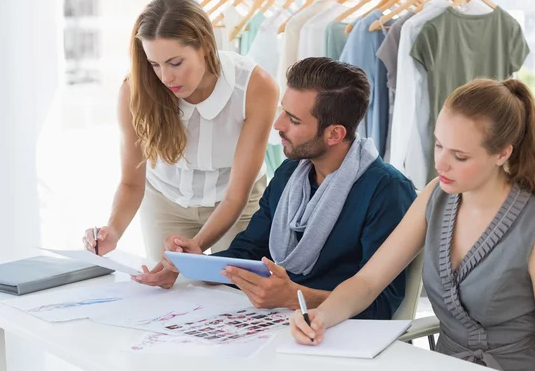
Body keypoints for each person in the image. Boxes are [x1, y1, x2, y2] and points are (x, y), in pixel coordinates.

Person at [290, 78, 535, 370]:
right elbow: (367, 282)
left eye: (460, 156)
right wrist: (322, 316)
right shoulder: (435, 196)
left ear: (503, 153)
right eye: (439, 145)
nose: (441, 164)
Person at [133, 57, 417, 319]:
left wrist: (297, 298)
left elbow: (384, 305)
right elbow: (248, 251)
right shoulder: (290, 173)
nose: (278, 124)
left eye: (293, 120)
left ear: (334, 134)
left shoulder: (387, 192)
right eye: (283, 111)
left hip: (339, 336)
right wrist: (189, 264)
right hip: (277, 322)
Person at [82, 0, 278, 262]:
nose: (165, 77)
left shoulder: (256, 88)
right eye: (154, 64)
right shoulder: (135, 91)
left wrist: (192, 249)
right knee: (169, 293)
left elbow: (235, 196)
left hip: (236, 203)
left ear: (205, 46)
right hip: (166, 200)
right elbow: (131, 182)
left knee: (237, 288)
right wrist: (113, 231)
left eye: (175, 63)